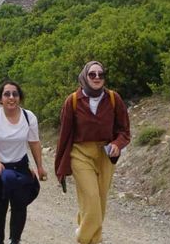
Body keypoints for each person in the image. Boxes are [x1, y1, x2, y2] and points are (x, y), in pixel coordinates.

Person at [54, 61, 131, 244]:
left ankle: (93, 239)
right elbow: (64, 136)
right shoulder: (72, 101)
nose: (97, 78)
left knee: (100, 199)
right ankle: (83, 238)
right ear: (84, 77)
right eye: (92, 74)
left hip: (106, 154)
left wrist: (117, 144)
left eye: (101, 74)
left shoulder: (113, 99)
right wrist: (60, 166)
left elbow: (124, 131)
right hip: (80, 153)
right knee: (92, 198)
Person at [0, 81, 47, 244]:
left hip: (20, 166)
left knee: (20, 205)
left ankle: (15, 240)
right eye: (7, 94)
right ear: (0, 99)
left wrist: (39, 167)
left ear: (19, 97)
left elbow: (34, 143)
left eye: (15, 94)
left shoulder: (28, 117)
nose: (11, 97)